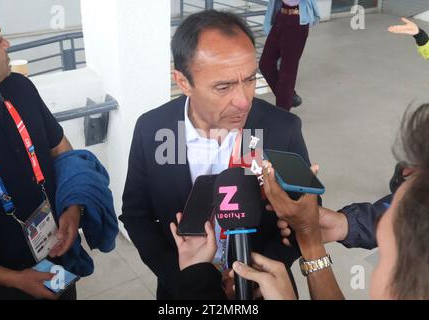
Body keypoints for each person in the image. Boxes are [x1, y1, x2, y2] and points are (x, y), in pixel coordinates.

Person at [120, 10, 316, 299]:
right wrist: (183, 278)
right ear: (183, 81)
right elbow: (137, 216)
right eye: (223, 87)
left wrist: (260, 275)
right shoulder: (153, 130)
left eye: (249, 80)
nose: (243, 101)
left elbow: (307, 214)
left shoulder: (281, 128)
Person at [172, 104, 429, 300]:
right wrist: (319, 235)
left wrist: (196, 280)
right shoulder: (156, 126)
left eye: (385, 256)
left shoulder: (281, 126)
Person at [0, 1, 83, 300]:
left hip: (56, 258)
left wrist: (73, 207)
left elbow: (61, 150)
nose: (7, 44)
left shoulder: (20, 88)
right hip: (3, 286)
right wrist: (15, 280)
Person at [260, 0, 320, 110]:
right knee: (265, 64)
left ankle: (282, 113)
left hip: (297, 20)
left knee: (287, 71)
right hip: (281, 16)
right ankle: (289, 97)